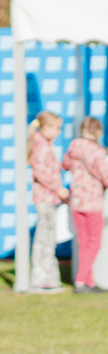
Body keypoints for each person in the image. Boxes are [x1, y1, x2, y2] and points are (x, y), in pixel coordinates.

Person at [62, 116, 108, 294]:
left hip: (76, 200)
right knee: (94, 242)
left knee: (83, 242)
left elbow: (65, 165)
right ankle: (81, 280)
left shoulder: (73, 147)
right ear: (98, 132)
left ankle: (89, 281)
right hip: (93, 201)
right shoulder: (98, 152)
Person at [27, 110, 67, 294]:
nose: (59, 132)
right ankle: (40, 280)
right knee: (44, 239)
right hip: (45, 198)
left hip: (48, 198)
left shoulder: (43, 144)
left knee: (48, 238)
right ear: (46, 127)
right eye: (57, 128)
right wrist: (57, 188)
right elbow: (41, 172)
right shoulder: (41, 146)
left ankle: (49, 279)